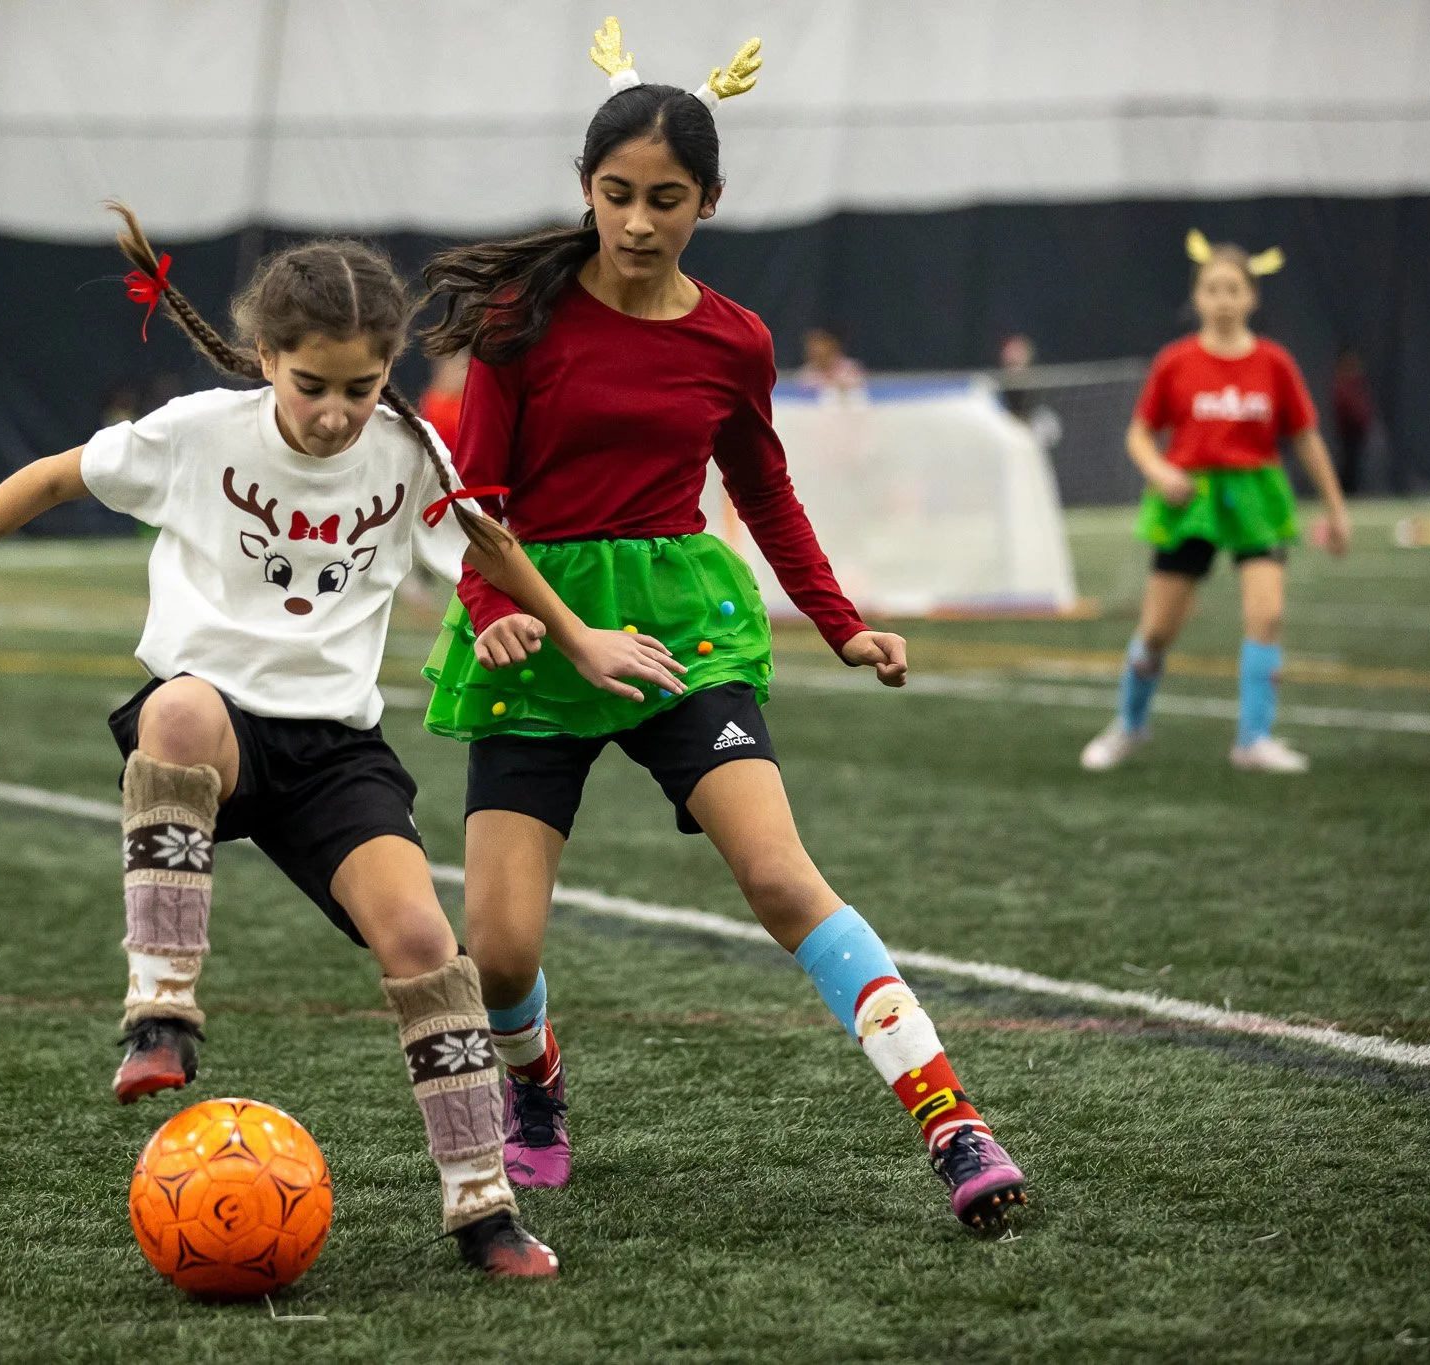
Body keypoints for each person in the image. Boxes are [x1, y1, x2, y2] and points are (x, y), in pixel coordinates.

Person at [0, 204, 683, 1278]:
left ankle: (482, 1210)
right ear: (267, 361)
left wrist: (568, 636)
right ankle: (160, 1011)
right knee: (179, 709)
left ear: (389, 366)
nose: (340, 412)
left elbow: (482, 543)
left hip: (335, 755)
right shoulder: (196, 433)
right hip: (219, 732)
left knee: (431, 952)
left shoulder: (407, 451)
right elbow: (49, 479)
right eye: (313, 385)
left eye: (362, 385)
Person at [417, 17, 1028, 1234]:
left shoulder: (732, 338)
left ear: (709, 199)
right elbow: (473, 504)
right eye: (614, 194)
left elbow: (762, 489)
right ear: (583, 189)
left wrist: (839, 623)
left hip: (686, 634)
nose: (637, 222)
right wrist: (498, 611)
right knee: (493, 951)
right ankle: (535, 1087)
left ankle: (950, 1120)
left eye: (665, 198)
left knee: (778, 874)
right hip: (538, 632)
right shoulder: (516, 319)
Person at [1081, 231, 1351, 775]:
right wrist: (1161, 472)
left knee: (1267, 614)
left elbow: (1306, 437)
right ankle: (1128, 726)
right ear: (1197, 297)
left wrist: (1335, 508)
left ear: (1252, 297)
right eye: (1213, 289)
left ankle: (1253, 739)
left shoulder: (1274, 363)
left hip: (1256, 497)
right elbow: (1139, 434)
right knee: (1157, 631)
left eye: (1234, 289)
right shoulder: (1175, 362)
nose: (1224, 299)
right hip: (1191, 500)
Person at [1330, 348, 1373, 495]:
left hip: (1357, 431)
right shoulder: (1342, 384)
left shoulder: (1356, 384)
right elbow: (1344, 408)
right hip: (1347, 432)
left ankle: (1350, 491)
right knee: (1347, 464)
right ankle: (1344, 491)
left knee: (1353, 464)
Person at [797, 326, 864, 394]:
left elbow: (858, 390)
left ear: (831, 346)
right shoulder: (806, 373)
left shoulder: (850, 368)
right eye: (813, 347)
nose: (818, 350)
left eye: (821, 345)